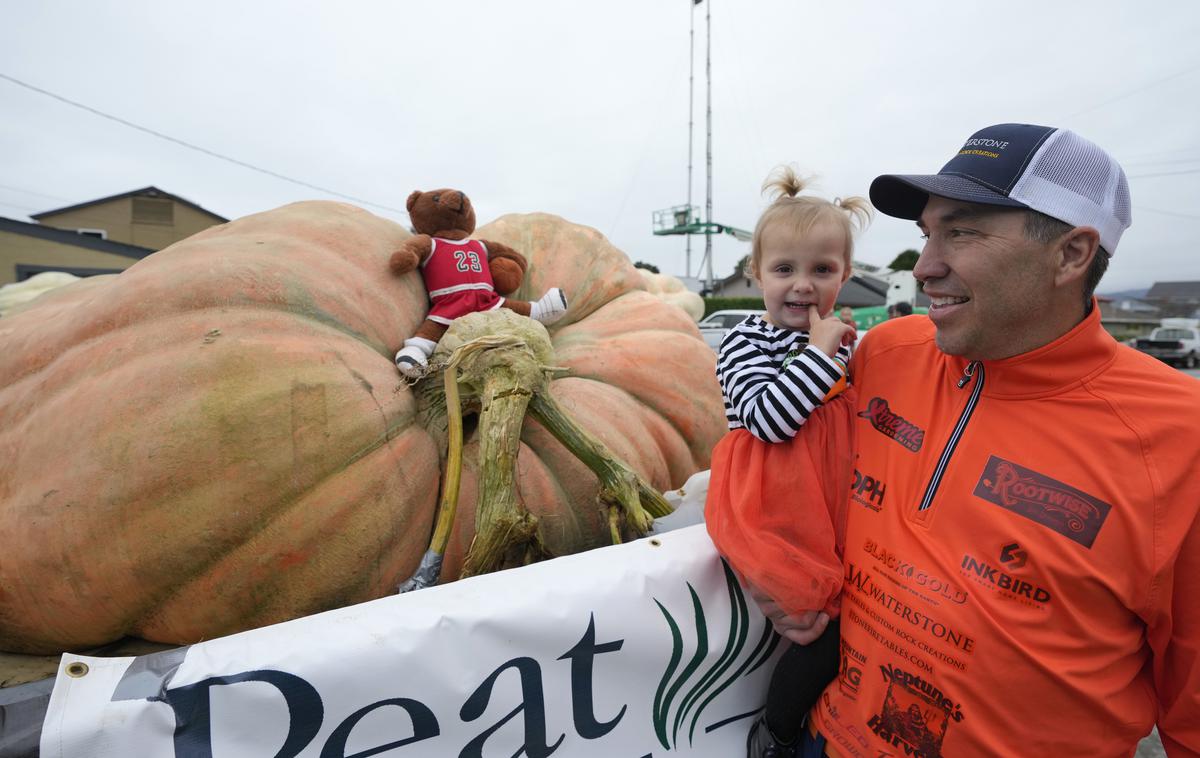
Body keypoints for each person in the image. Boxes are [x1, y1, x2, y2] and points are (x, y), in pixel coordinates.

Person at [769, 123, 1200, 757]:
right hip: (827, 739)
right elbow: (786, 463)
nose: (923, 267)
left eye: (963, 232)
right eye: (926, 234)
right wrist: (775, 569)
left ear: (1071, 254)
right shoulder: (883, 353)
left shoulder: (1179, 436)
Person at [704, 165, 871, 758]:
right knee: (816, 624)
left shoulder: (845, 345)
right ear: (756, 275)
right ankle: (776, 732)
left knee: (858, 615)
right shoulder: (746, 342)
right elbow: (773, 421)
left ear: (844, 275)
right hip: (774, 497)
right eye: (784, 269)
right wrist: (824, 353)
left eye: (822, 270)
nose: (803, 285)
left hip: (831, 495)